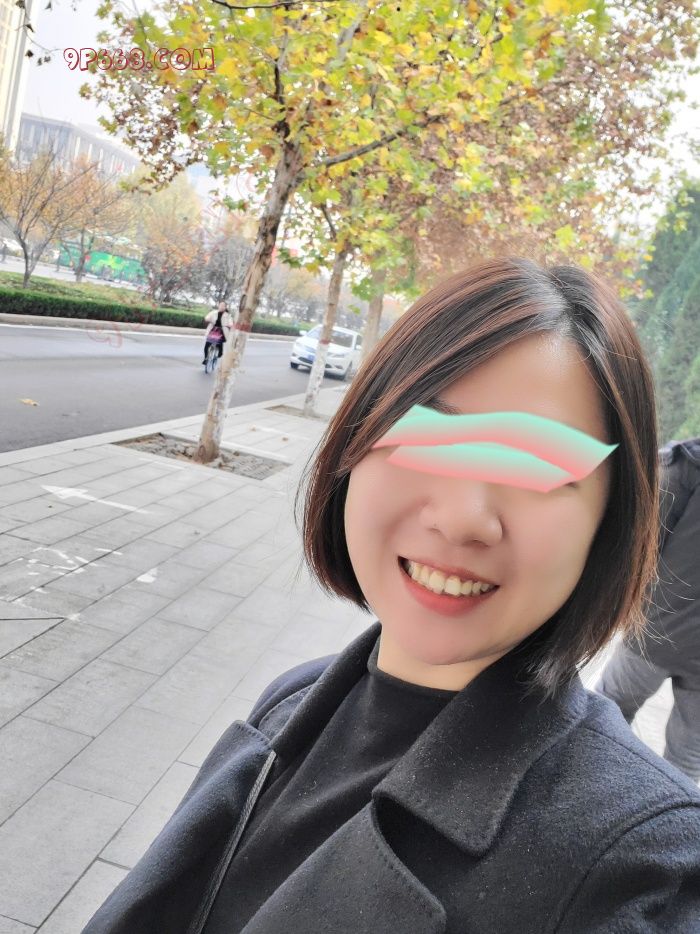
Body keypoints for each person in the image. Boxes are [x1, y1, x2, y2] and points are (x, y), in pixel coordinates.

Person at [83, 257, 700, 934]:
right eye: (428, 436)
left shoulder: (642, 867)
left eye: (538, 468)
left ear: (609, 522)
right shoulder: (294, 700)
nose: (463, 519)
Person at [595, 436, 700, 781]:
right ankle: (668, 813)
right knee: (686, 760)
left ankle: (595, 789)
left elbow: (644, 541)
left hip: (658, 632)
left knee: (606, 711)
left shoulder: (689, 464)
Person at [202, 301, 234, 365]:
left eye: (223, 306)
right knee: (207, 344)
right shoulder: (213, 312)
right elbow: (207, 317)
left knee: (219, 342)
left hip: (222, 331)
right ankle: (206, 359)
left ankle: (220, 352)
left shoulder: (228, 315)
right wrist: (207, 319)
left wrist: (230, 325)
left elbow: (231, 322)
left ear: (225, 307)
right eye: (221, 305)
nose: (222, 307)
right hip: (213, 329)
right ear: (218, 306)